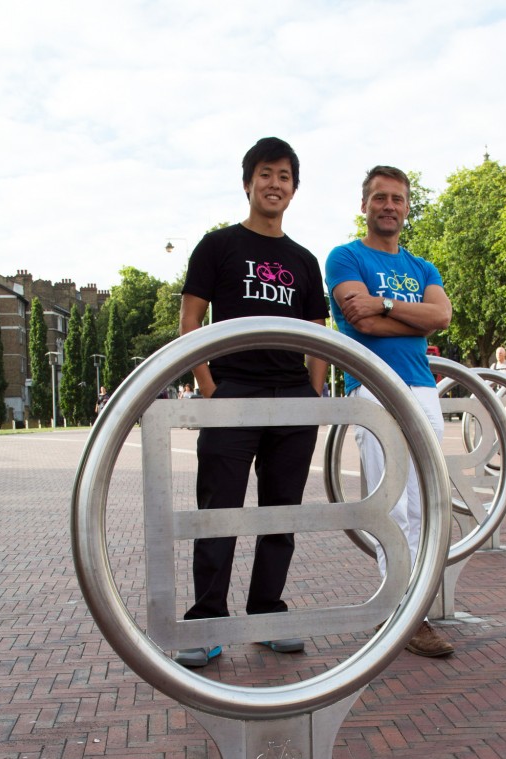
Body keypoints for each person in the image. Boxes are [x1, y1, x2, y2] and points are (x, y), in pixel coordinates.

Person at [175, 137, 328, 669]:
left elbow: (318, 338)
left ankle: (267, 614)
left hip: (292, 398)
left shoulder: (304, 261)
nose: (275, 184)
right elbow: (191, 324)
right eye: (266, 174)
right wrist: (211, 389)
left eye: (285, 176)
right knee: (218, 512)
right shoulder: (217, 247)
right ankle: (207, 622)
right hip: (232, 392)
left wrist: (313, 396)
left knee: (280, 515)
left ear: (294, 189)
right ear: (248, 182)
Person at [325, 165, 455, 658]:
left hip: (422, 390)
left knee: (425, 504)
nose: (389, 205)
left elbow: (440, 316)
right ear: (365, 205)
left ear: (406, 206)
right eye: (380, 197)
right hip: (374, 388)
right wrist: (406, 319)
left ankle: (415, 600)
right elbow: (358, 321)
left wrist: (381, 305)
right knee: (391, 505)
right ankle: (401, 610)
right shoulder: (345, 256)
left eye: (397, 198)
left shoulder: (423, 267)